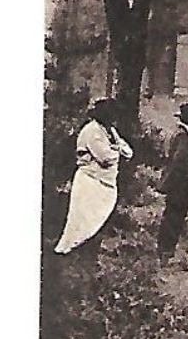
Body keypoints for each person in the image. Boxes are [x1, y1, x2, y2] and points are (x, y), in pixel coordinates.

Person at [55, 98, 134, 255]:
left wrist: (116, 149)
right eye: (111, 115)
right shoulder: (92, 131)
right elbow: (104, 157)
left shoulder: (109, 130)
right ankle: (71, 252)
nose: (114, 119)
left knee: (98, 218)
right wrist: (117, 151)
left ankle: (89, 251)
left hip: (106, 183)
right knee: (82, 219)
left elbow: (128, 151)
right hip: (90, 181)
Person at [155, 102, 188, 258]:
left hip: (178, 183)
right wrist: (186, 177)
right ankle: (165, 253)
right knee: (174, 218)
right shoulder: (183, 136)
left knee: (173, 217)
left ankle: (166, 252)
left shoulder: (181, 133)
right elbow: (179, 162)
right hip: (180, 185)